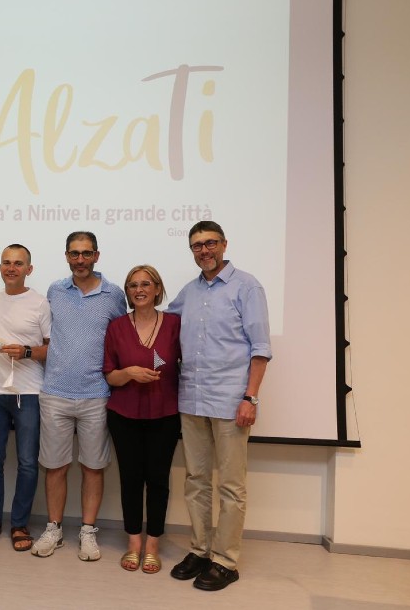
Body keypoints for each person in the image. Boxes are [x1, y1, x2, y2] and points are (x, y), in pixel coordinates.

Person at [166, 220, 271, 591]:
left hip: (230, 402)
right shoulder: (189, 292)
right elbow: (164, 330)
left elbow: (261, 349)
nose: (204, 250)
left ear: (224, 244)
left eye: (210, 243)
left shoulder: (247, 287)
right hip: (192, 399)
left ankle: (225, 560)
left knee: (230, 485)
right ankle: (200, 549)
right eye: (197, 245)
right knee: (196, 480)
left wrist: (250, 397)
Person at [32, 231, 126, 561]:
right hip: (55, 392)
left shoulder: (114, 295)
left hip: (96, 394)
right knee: (54, 466)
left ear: (96, 256)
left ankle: (87, 531)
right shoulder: (55, 291)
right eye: (74, 253)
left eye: (86, 253)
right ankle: (54, 529)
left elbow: (123, 339)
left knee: (93, 467)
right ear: (67, 256)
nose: (80, 259)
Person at [0, 244, 51, 551]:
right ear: (0, 267)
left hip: (29, 393)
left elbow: (52, 348)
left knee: (28, 463)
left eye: (18, 263)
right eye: (6, 262)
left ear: (29, 269)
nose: (11, 268)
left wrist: (27, 352)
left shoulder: (40, 303)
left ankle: (20, 524)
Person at [103, 265, 181, 574]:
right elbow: (110, 375)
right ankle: (134, 543)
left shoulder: (174, 324)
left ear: (158, 289)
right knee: (131, 479)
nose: (139, 289)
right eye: (133, 285)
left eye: (146, 284)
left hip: (165, 414)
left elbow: (184, 363)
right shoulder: (117, 327)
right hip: (124, 414)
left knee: (158, 481)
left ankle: (153, 545)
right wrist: (129, 373)